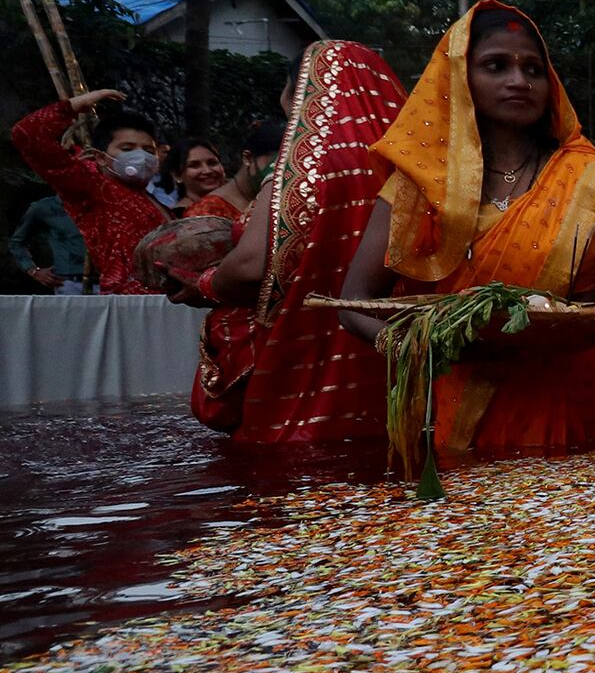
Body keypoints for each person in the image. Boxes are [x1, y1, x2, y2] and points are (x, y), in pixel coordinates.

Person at [338, 1, 595, 461]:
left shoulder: (589, 179)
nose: (519, 81)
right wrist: (419, 350)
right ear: (459, 78)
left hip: (557, 403)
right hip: (440, 409)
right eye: (496, 65)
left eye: (533, 69)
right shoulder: (418, 185)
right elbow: (354, 304)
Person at [134, 40, 409, 442]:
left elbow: (250, 268)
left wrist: (205, 283)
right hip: (393, 377)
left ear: (299, 92)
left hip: (302, 375)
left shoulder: (299, 173)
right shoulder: (417, 170)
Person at [9, 91, 169, 293]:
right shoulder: (93, 187)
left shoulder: (151, 199)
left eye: (148, 150)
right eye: (127, 148)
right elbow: (27, 134)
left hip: (166, 303)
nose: (141, 156)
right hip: (130, 306)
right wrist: (73, 106)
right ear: (101, 158)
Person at [189, 122, 284, 221]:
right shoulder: (207, 211)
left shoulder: (279, 200)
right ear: (248, 158)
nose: (279, 173)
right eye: (274, 165)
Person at [8, 195, 89, 294]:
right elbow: (16, 243)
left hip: (107, 282)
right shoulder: (44, 207)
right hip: (69, 284)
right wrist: (33, 270)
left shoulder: (104, 204)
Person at [164, 139, 229, 214]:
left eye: (212, 163)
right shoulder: (180, 215)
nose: (207, 171)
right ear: (177, 176)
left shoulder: (239, 206)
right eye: (194, 165)